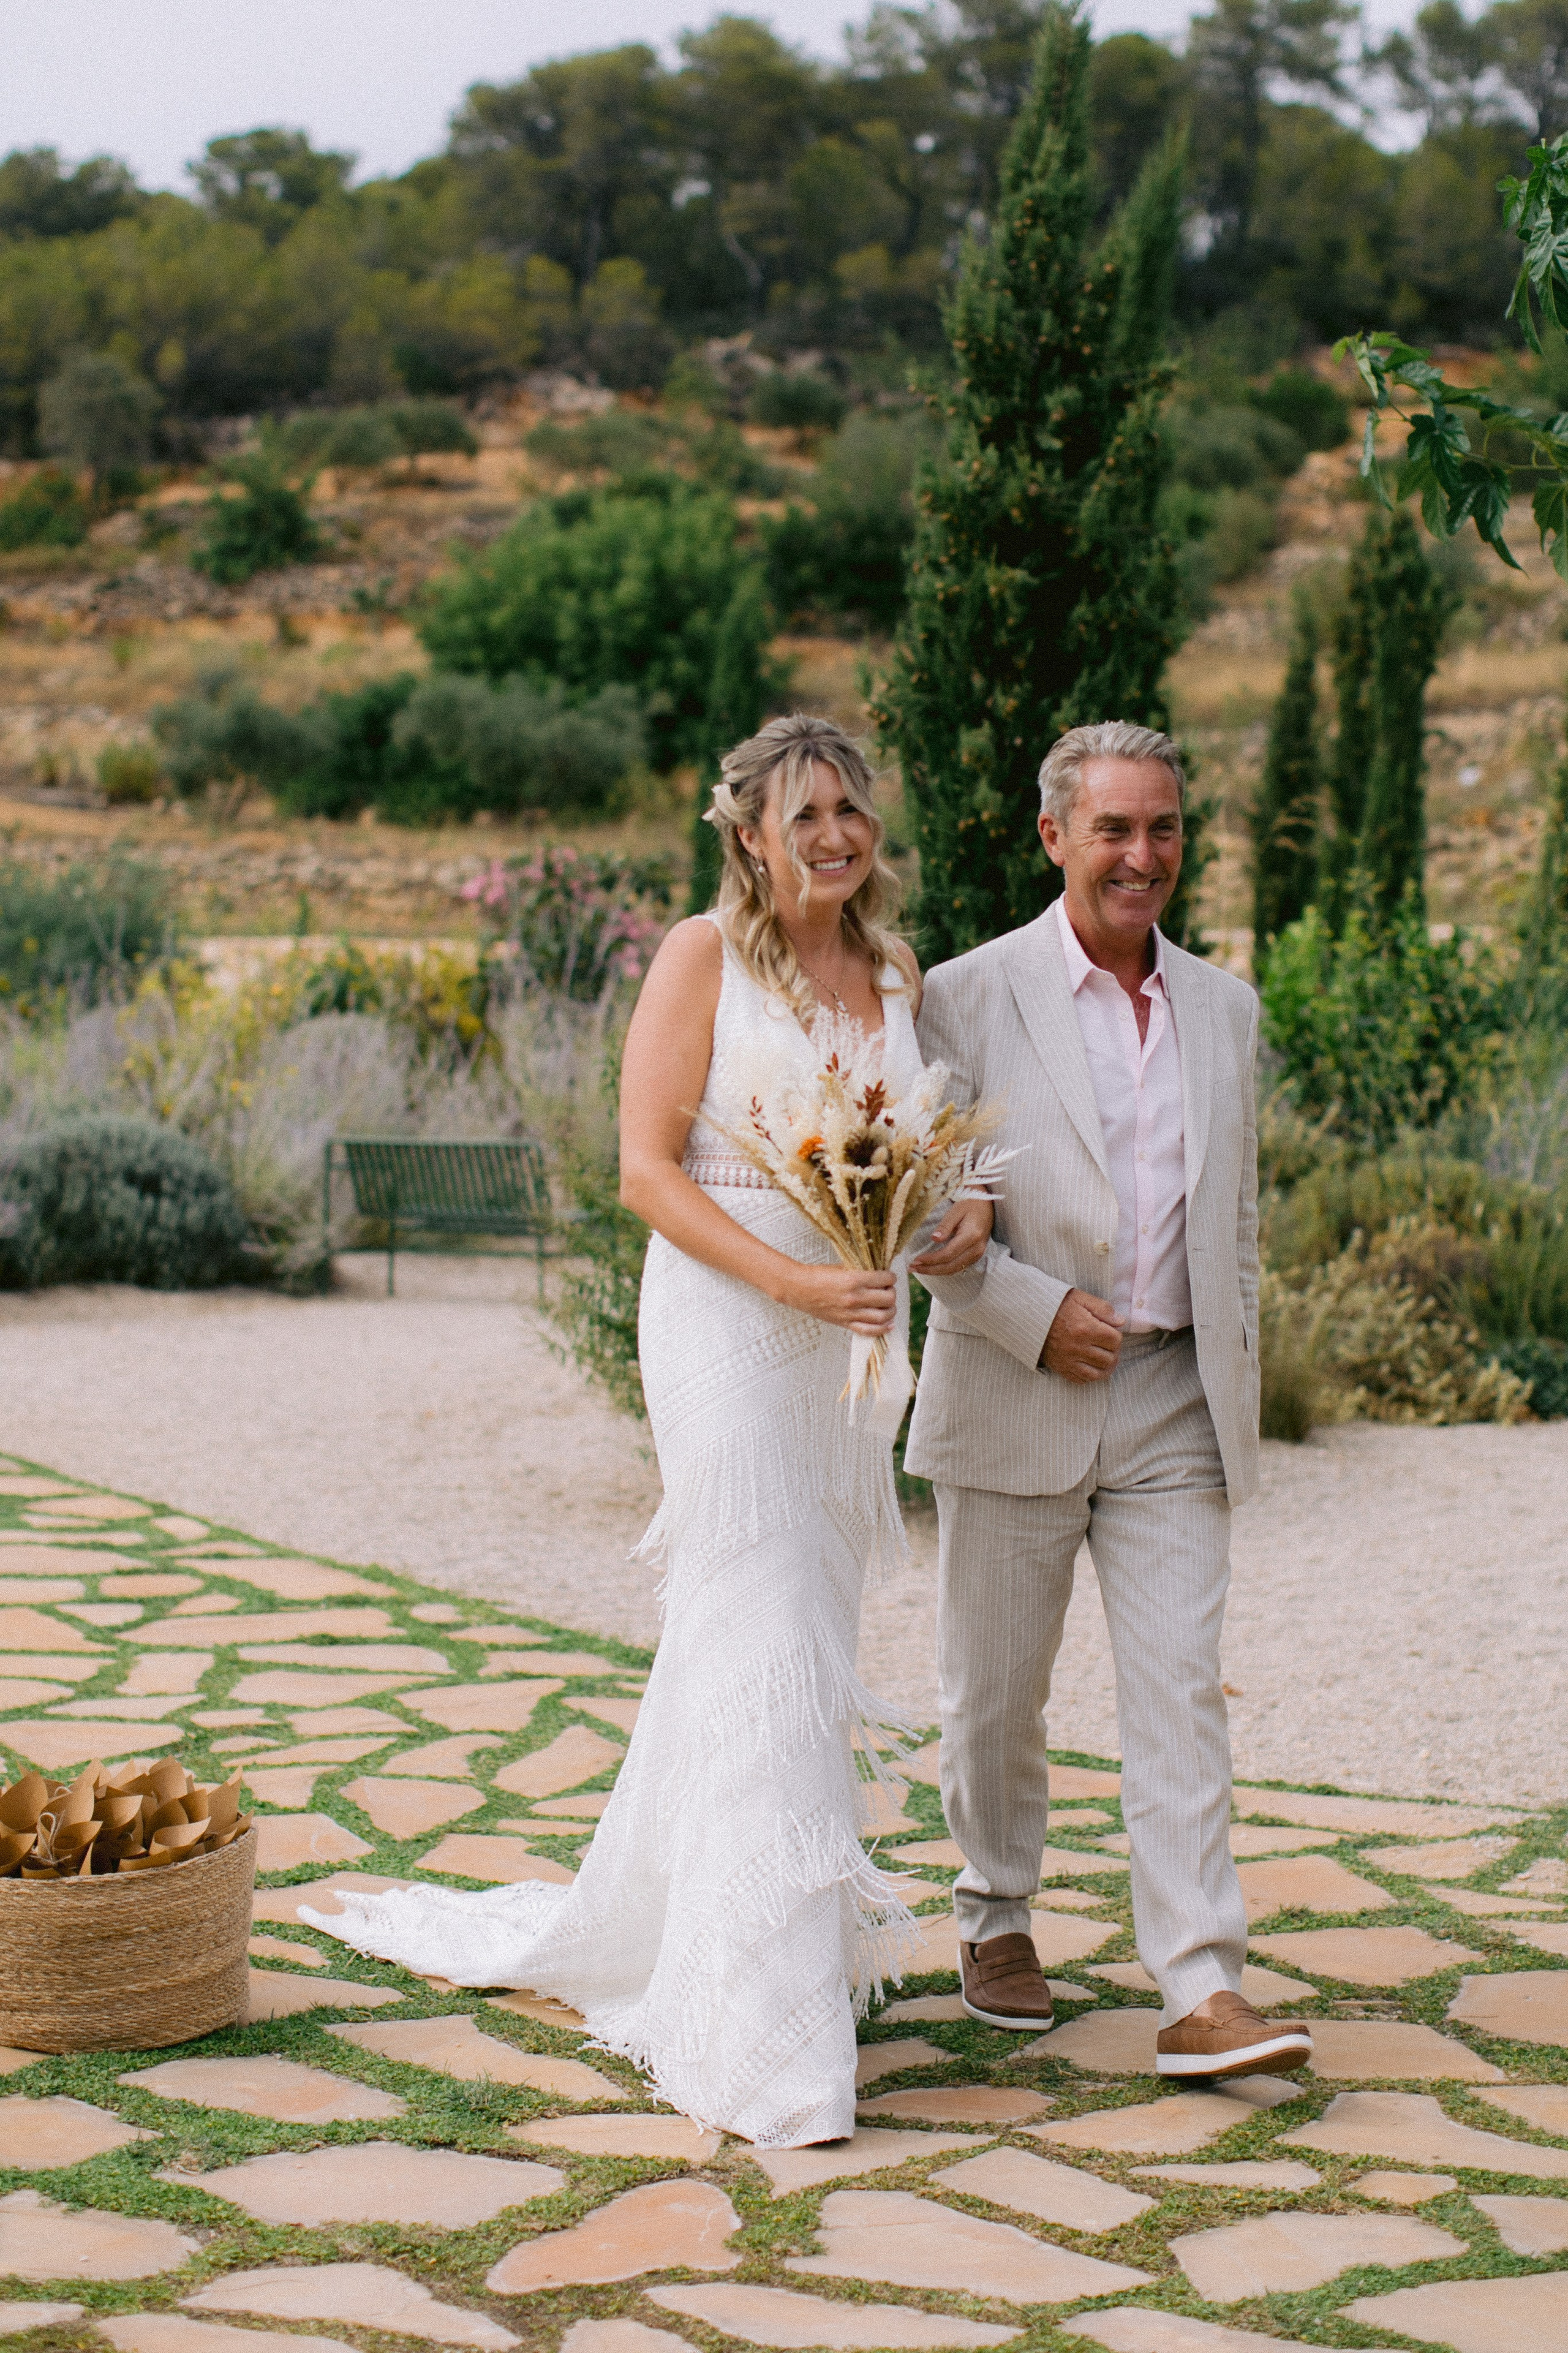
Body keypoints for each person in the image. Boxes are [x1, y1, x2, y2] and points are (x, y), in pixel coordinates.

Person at [304, 713, 993, 2146]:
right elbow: (642, 1171)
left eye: (851, 810)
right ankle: (762, 2030)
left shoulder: (889, 973)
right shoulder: (701, 956)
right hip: (732, 1331)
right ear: (746, 832)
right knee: (761, 1620)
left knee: (796, 1612)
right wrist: (801, 1274)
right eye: (802, 816)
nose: (834, 838)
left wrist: (936, 1226)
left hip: (849, 1344)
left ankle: (709, 1934)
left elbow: (896, 1160)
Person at [907, 720, 1311, 2081]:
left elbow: (1233, 1214)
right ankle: (994, 1913)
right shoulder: (958, 999)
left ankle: (1198, 1980)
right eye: (1113, 830)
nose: (1141, 857)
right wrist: (1030, 1313)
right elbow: (921, 1216)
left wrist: (1224, 1361)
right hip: (1014, 1386)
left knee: (1179, 1687)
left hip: (1172, 1403)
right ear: (1053, 838)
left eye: (1163, 830)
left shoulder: (1226, 1007)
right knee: (991, 1694)